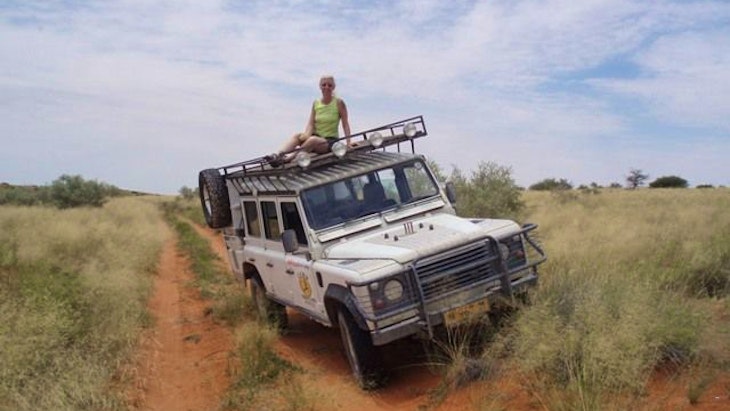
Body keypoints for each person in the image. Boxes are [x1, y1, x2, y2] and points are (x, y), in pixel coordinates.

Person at [267, 75, 351, 165]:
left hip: (329, 142)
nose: (326, 87)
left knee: (313, 140)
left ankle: (289, 159)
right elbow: (311, 123)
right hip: (315, 136)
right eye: (324, 85)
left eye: (329, 85)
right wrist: (306, 135)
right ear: (320, 86)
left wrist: (348, 142)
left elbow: (345, 124)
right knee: (297, 136)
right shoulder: (316, 103)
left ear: (333, 87)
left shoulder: (339, 103)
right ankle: (278, 155)